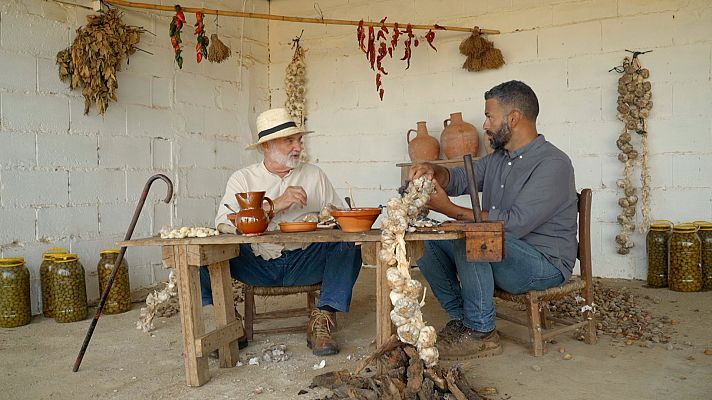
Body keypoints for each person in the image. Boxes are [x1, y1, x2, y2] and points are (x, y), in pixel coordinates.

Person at [409, 80, 578, 360]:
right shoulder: (498, 158)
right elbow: (460, 179)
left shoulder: (553, 163)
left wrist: (449, 209)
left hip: (544, 264)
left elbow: (515, 223)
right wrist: (435, 172)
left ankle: (482, 333)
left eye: (490, 116)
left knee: (472, 236)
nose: (485, 125)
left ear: (513, 118)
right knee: (427, 239)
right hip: (502, 253)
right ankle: (465, 319)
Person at [200, 108, 362, 356]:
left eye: (299, 140)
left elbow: (338, 215)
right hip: (256, 263)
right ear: (266, 146)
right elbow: (224, 223)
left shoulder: (314, 174)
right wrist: (274, 206)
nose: (298, 147)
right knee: (200, 251)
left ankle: (322, 319)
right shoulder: (243, 178)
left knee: (349, 243)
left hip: (305, 262)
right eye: (289, 141)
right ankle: (230, 324)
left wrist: (330, 217)